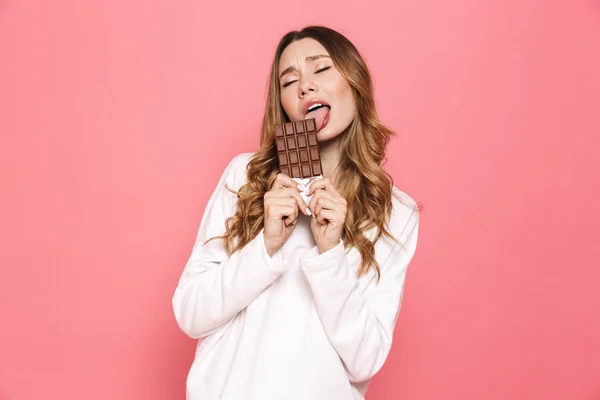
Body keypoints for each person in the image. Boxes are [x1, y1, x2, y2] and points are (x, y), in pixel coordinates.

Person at [172, 25, 421, 400]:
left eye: (321, 69)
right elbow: (191, 313)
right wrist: (266, 245)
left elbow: (365, 360)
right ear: (284, 104)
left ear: (355, 82)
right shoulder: (246, 176)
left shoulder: (395, 211)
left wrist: (330, 253)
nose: (305, 86)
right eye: (290, 81)